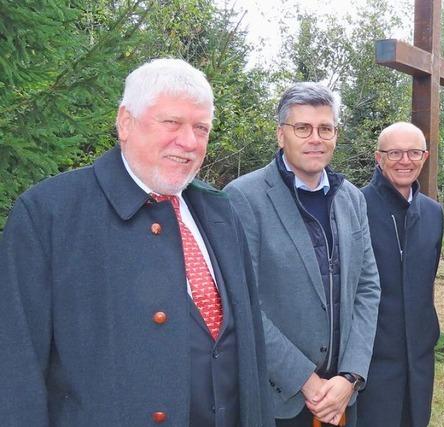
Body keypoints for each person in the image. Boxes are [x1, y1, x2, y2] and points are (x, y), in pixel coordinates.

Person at [0, 58, 274, 427]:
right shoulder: (49, 214)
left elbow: (249, 352)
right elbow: (15, 369)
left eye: (201, 128)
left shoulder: (220, 211)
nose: (190, 142)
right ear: (125, 123)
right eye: (172, 123)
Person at [224, 82, 380, 427]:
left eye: (325, 128)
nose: (316, 138)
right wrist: (307, 382)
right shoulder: (243, 198)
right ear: (281, 135)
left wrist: (350, 377)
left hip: (342, 397)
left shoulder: (352, 199)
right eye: (303, 128)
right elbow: (242, 303)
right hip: (281, 399)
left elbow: (367, 290)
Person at [357, 122, 443, 427]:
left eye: (413, 152)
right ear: (378, 158)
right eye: (395, 152)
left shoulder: (433, 213)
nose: (405, 161)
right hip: (371, 361)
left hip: (419, 359)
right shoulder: (354, 205)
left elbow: (426, 283)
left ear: (425, 156)